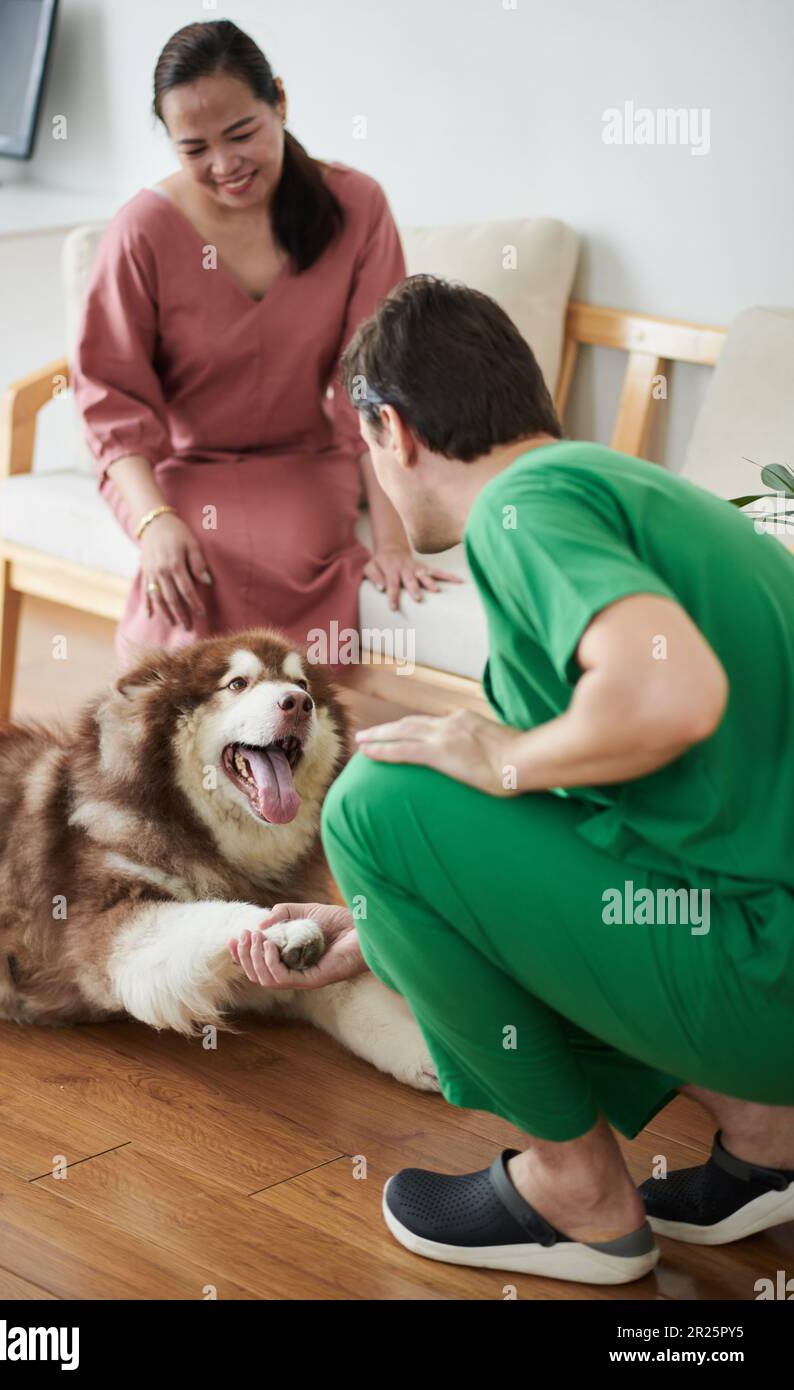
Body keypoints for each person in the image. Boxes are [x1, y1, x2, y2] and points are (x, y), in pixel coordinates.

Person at [229, 274, 794, 1286]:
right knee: (415, 836)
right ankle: (766, 1134)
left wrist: (496, 753)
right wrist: (381, 929)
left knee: (373, 802)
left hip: (763, 977)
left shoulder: (523, 508)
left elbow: (670, 698)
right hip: (764, 953)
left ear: (391, 431)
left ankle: (572, 1192)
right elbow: (628, 805)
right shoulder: (625, 490)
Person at [71, 20, 460, 671]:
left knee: (297, 554)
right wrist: (153, 522)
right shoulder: (142, 230)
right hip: (175, 469)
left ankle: (293, 748)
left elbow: (377, 387)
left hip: (304, 460)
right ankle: (175, 758)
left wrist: (394, 542)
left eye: (243, 133)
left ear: (279, 100)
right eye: (193, 148)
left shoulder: (357, 207)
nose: (224, 166)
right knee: (187, 567)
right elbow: (109, 402)